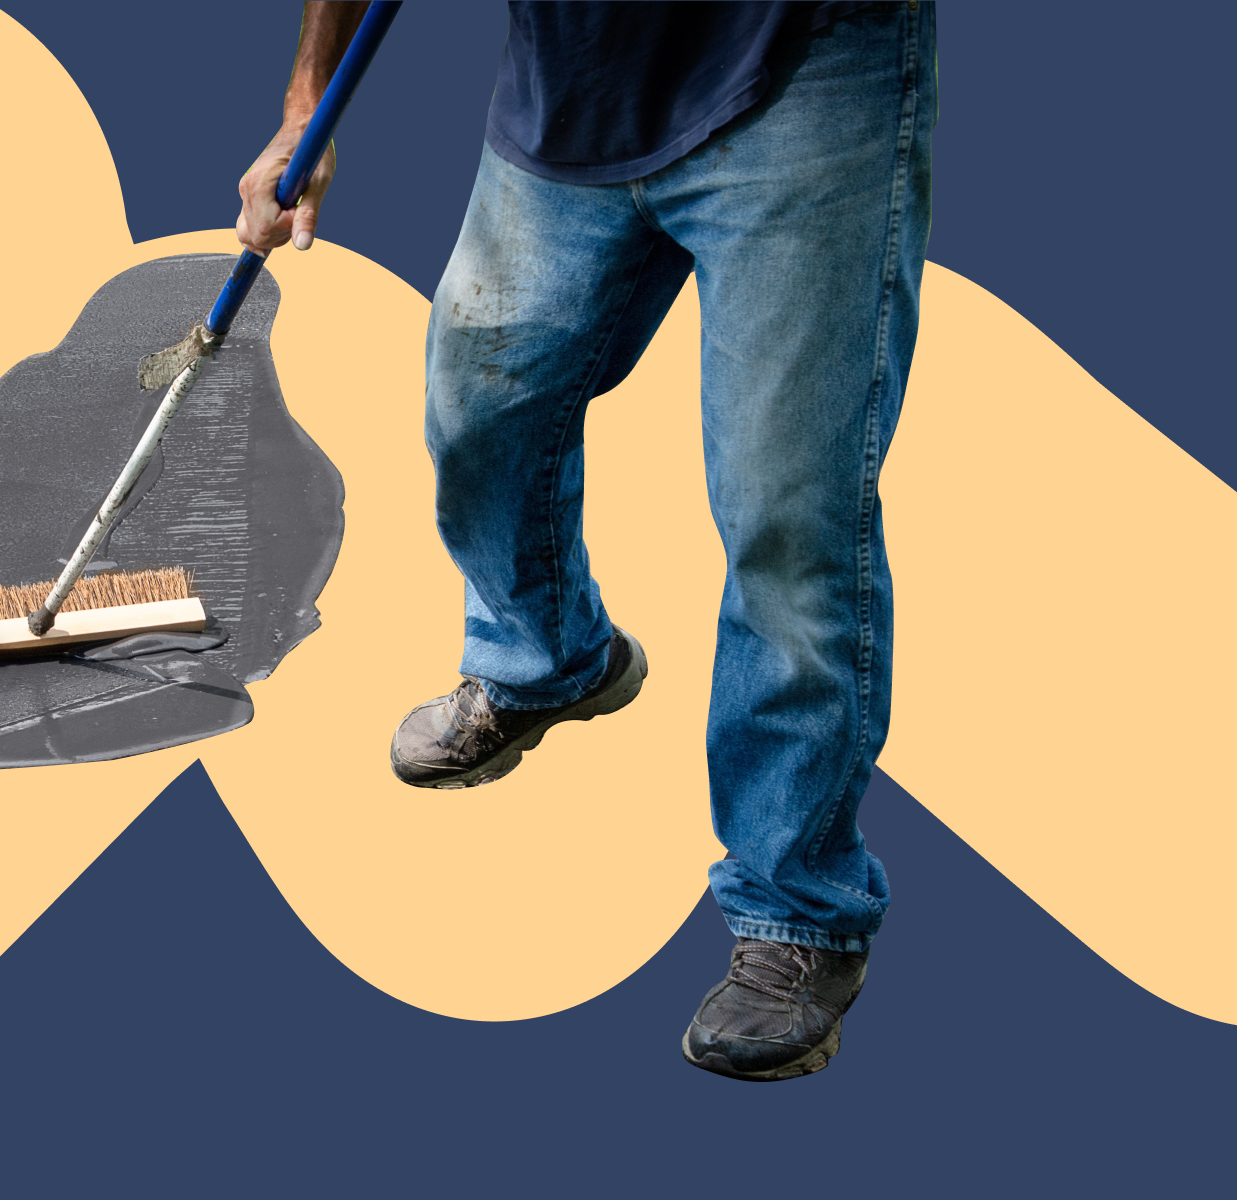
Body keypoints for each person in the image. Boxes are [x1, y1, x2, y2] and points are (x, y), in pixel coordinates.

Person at [238, 0, 935, 1081]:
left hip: (797, 72)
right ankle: (546, 659)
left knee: (786, 512)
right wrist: (304, 114)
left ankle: (800, 909)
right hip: (574, 82)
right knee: (483, 409)